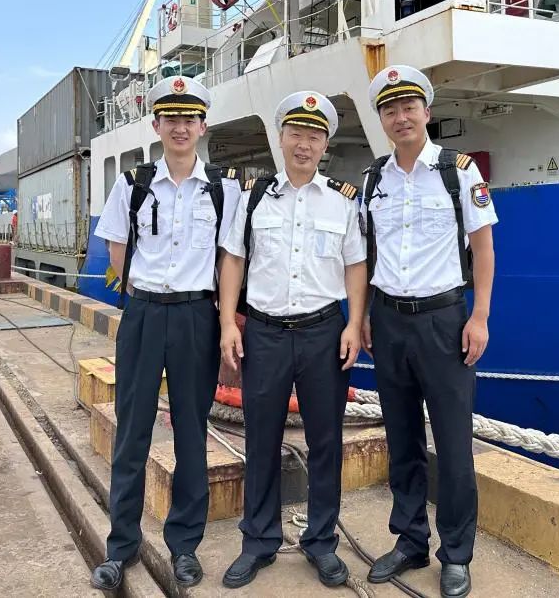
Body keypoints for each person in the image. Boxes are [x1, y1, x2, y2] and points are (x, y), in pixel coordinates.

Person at [90, 76, 241, 592]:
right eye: (171, 118)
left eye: (189, 118)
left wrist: (224, 321)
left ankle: (184, 546)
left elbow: (229, 259)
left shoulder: (223, 188)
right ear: (156, 125)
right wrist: (142, 296)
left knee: (191, 433)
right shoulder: (133, 183)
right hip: (145, 314)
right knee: (131, 431)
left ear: (202, 126)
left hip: (197, 316)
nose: (180, 127)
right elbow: (117, 250)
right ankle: (121, 547)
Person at [217, 91, 366, 590]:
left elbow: (356, 265)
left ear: (325, 144)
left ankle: (321, 542)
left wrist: (354, 323)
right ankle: (258, 541)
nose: (304, 144)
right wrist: (228, 323)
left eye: (314, 136)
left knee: (326, 441)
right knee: (261, 439)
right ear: (280, 139)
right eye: (296, 134)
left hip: (324, 331)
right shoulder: (254, 197)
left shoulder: (342, 201)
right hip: (265, 332)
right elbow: (233, 259)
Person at [360, 65, 497, 598]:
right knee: (402, 438)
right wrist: (365, 314)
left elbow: (483, 249)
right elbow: (367, 254)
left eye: (409, 107)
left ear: (426, 112)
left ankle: (456, 554)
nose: (401, 117)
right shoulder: (373, 179)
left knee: (454, 444)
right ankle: (410, 540)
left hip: (444, 320)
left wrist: (479, 317)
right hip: (388, 320)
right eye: (390, 110)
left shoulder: (457, 172)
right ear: (382, 119)